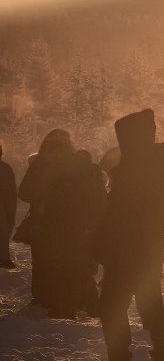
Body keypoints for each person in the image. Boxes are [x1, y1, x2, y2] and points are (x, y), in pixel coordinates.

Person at [88, 110, 164, 361]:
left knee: (113, 308)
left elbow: (124, 211)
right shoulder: (156, 164)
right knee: (149, 307)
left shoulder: (143, 166)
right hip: (144, 251)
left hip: (129, 251)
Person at [44, 149, 107, 318]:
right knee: (85, 269)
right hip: (90, 231)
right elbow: (103, 204)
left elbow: (55, 207)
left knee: (68, 271)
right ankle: (92, 307)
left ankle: (67, 310)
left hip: (69, 232)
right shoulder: (96, 178)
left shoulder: (66, 179)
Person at [17, 129, 76, 307]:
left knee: (41, 260)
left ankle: (42, 297)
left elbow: (24, 193)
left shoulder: (38, 165)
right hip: (67, 223)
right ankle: (62, 296)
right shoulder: (75, 167)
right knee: (64, 259)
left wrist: (41, 196)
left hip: (41, 222)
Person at [0, 143, 16, 269]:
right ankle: (3, 257)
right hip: (2, 208)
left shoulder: (5, 169)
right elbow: (11, 193)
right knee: (3, 231)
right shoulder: (5, 168)